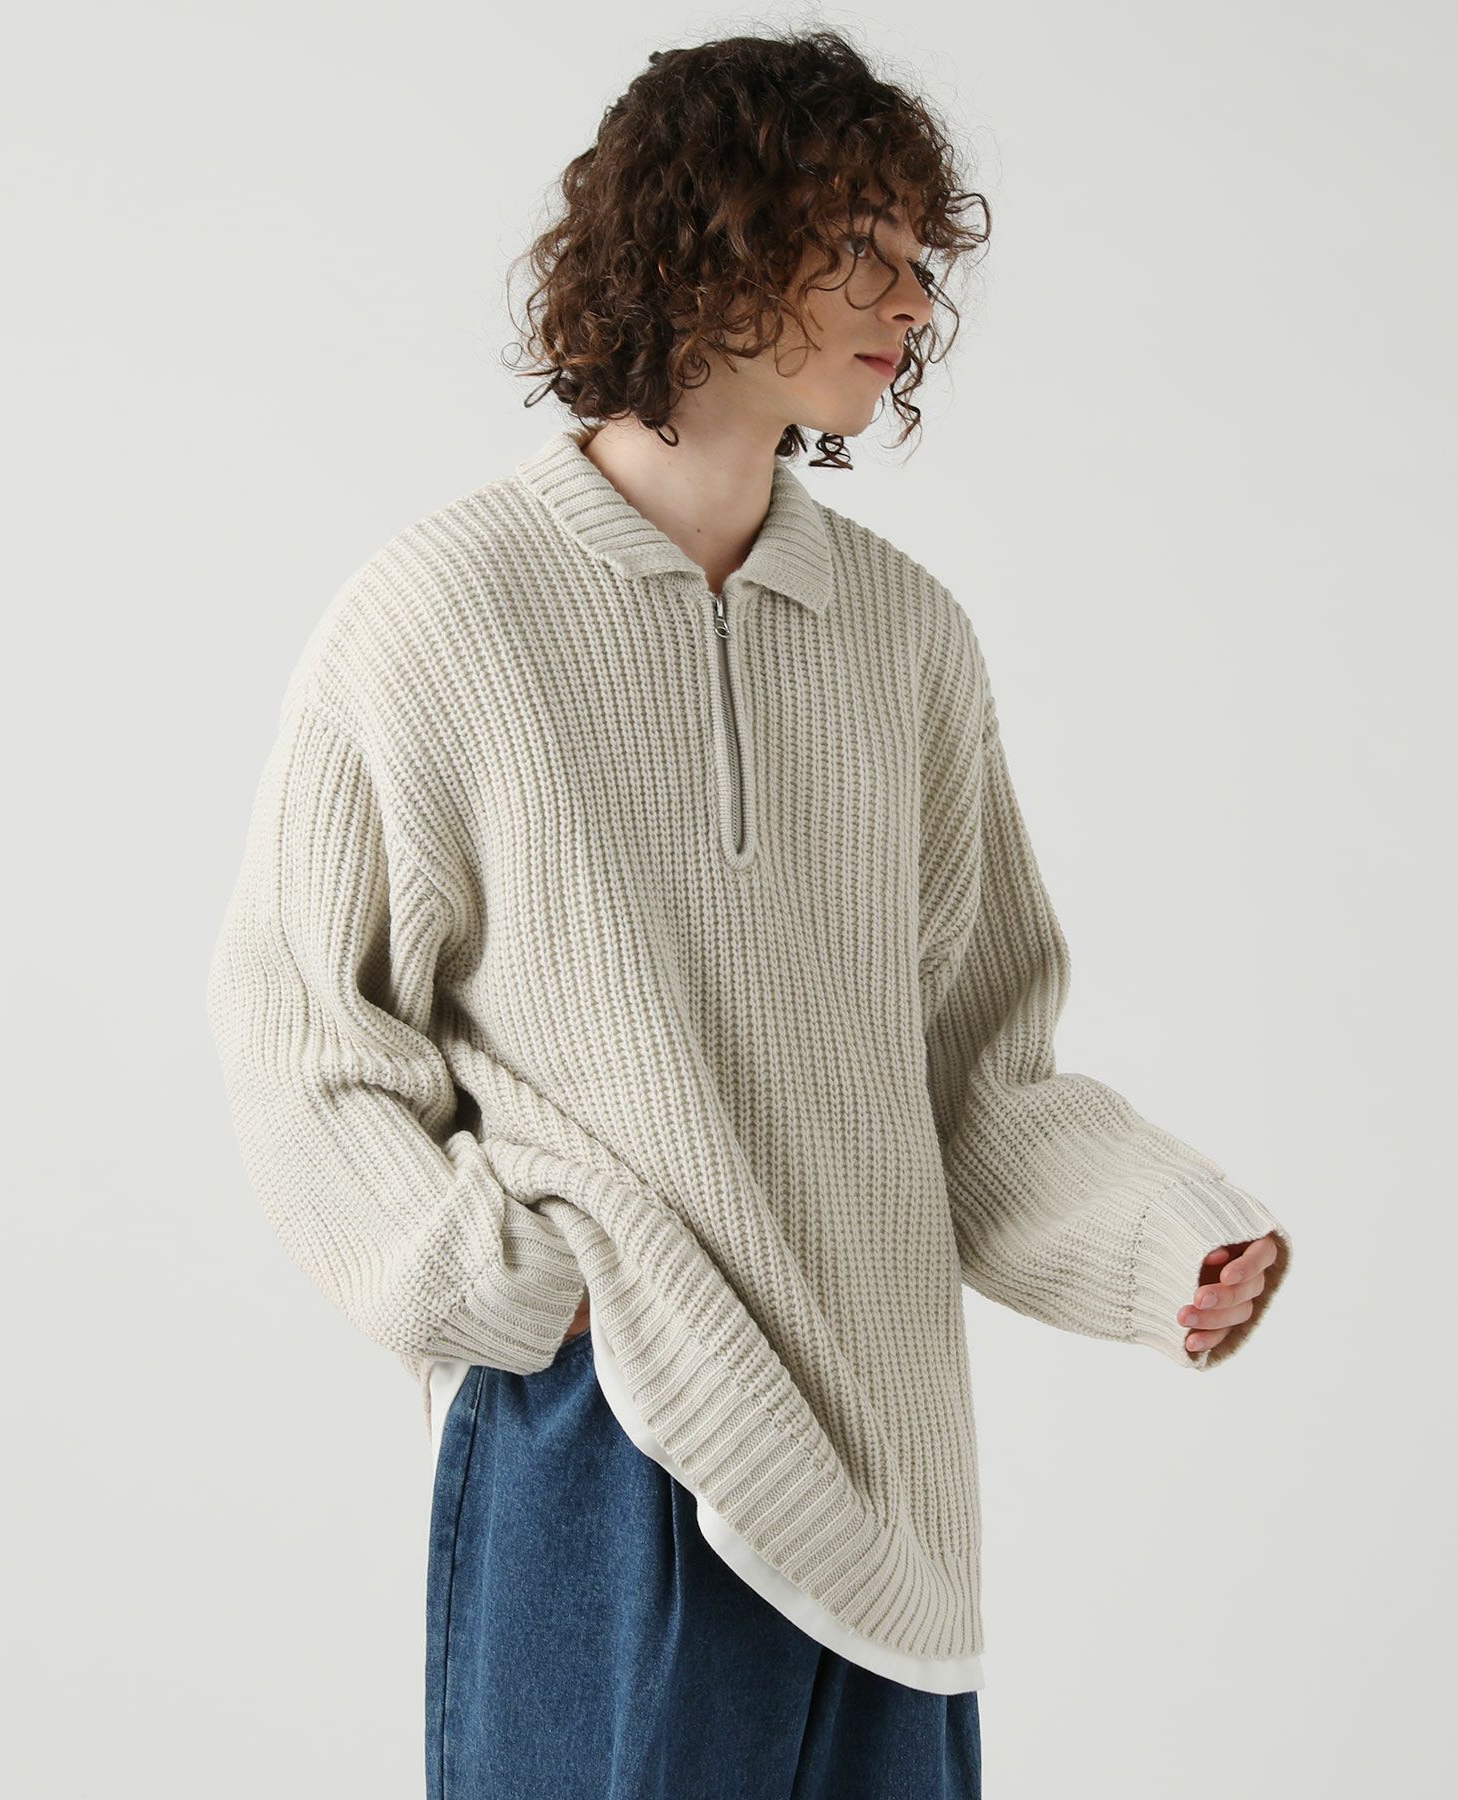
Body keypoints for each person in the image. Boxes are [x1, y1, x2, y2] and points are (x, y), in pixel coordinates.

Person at [206, 27, 1292, 1800]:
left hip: (888, 1484)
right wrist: (512, 1287)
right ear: (705, 242)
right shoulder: (445, 614)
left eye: (920, 257)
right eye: (859, 245)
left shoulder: (906, 638)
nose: (912, 299)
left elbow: (977, 1080)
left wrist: (1167, 1240)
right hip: (608, 1429)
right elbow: (301, 1036)